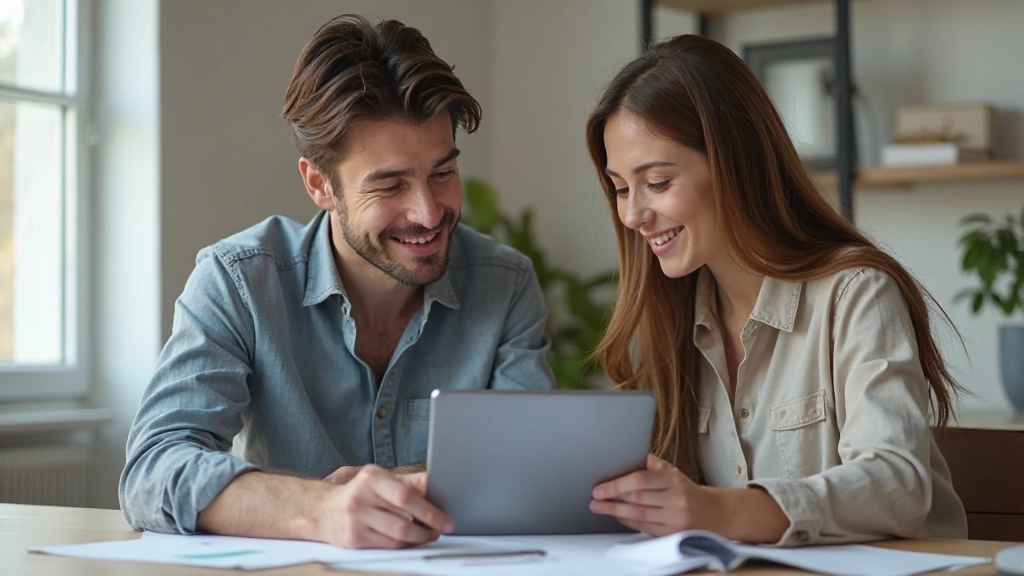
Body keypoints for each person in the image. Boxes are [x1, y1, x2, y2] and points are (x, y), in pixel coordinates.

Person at [119, 14, 554, 550]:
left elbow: (535, 464)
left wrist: (386, 488)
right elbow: (154, 469)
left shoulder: (505, 283)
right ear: (319, 184)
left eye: (443, 173)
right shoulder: (239, 281)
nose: (428, 212)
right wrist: (318, 509)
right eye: (390, 185)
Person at [583, 34, 968, 547]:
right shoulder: (668, 316)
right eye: (621, 188)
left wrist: (716, 509)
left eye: (656, 182)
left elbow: (895, 486)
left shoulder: (856, 294)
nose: (632, 215)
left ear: (735, 164)